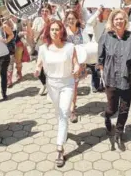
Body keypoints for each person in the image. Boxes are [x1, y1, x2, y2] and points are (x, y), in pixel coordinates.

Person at [34, 20, 80, 167]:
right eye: (52, 29)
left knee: (64, 112)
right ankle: (63, 128)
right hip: (52, 84)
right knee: (58, 112)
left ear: (62, 31)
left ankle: (59, 147)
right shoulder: (43, 48)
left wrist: (77, 68)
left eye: (57, 29)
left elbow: (76, 62)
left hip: (67, 83)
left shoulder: (70, 47)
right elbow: (39, 63)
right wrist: (37, 70)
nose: (54, 32)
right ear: (49, 31)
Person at [98, 9, 131, 151]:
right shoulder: (106, 37)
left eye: (121, 19)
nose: (119, 21)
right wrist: (102, 74)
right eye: (116, 19)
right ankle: (107, 117)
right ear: (112, 21)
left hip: (128, 78)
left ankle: (119, 133)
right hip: (111, 79)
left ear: (125, 20)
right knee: (112, 108)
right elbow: (100, 58)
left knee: (124, 108)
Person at [27, 4, 52, 95]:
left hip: (50, 48)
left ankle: (51, 87)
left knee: (50, 68)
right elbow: (32, 33)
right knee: (39, 68)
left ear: (50, 12)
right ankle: (44, 84)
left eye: (46, 11)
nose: (44, 13)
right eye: (42, 11)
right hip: (39, 48)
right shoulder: (37, 20)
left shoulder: (52, 21)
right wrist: (27, 23)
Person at [65, 10, 85, 123]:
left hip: (78, 64)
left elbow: (86, 45)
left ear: (77, 20)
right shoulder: (63, 32)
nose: (71, 20)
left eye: (73, 18)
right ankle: (66, 106)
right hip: (66, 65)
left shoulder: (81, 31)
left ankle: (72, 110)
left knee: (74, 87)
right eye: (69, 19)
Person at [85, 6, 111, 92]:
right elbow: (89, 23)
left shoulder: (110, 22)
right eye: (107, 10)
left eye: (110, 11)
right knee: (95, 67)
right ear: (102, 12)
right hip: (96, 47)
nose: (109, 12)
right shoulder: (97, 21)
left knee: (105, 66)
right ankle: (95, 84)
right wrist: (97, 12)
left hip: (106, 47)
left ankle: (104, 84)